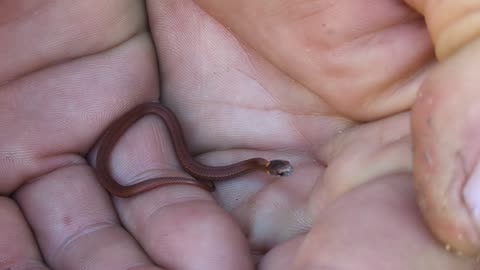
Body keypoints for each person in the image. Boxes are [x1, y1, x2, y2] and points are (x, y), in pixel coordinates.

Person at [0, 0, 478, 269]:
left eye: (277, 169)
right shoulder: (245, 163)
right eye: (279, 169)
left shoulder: (249, 163)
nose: (280, 171)